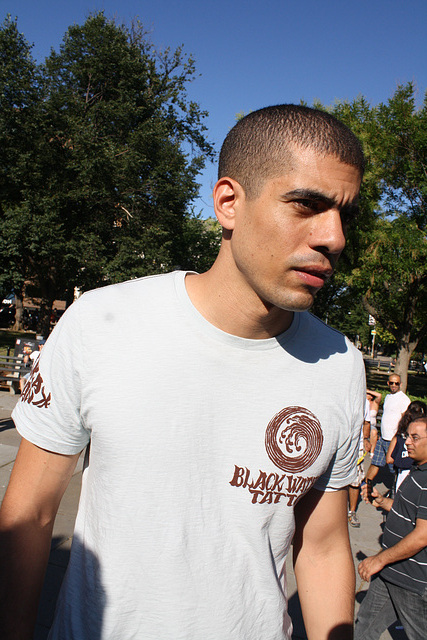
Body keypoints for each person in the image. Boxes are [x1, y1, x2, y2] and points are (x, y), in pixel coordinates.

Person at [0, 105, 366, 640]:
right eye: (306, 205)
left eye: (344, 215)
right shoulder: (103, 324)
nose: (333, 237)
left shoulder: (340, 364)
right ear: (228, 203)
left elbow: (326, 542)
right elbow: (30, 511)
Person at [355, 416, 427, 640]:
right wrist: (384, 502)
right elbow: (412, 512)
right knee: (364, 628)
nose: (407, 443)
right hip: (390, 574)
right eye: (407, 436)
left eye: (415, 438)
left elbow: (422, 536)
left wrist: (379, 559)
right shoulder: (418, 470)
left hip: (410, 581)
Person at [366, 374, 410, 485]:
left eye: (396, 383)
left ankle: (396, 491)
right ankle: (366, 485)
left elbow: (406, 420)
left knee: (395, 469)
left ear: (400, 384)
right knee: (375, 463)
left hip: (393, 440)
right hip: (382, 439)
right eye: (391, 383)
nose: (394, 385)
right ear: (388, 383)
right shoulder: (388, 397)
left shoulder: (404, 399)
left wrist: (398, 437)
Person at [386, 401, 427, 492]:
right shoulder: (400, 437)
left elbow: (389, 459)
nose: (408, 442)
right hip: (407, 476)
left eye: (415, 438)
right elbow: (389, 459)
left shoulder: (399, 436)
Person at [348, 399, 371, 527]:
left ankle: (351, 511)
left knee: (355, 481)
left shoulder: (364, 401)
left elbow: (366, 422)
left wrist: (366, 439)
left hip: (357, 447)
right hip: (339, 445)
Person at [366, 388, 381, 454]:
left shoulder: (374, 403)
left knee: (374, 432)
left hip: (372, 425)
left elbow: (379, 395)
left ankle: (372, 452)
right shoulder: (362, 402)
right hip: (364, 424)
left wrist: (368, 391)